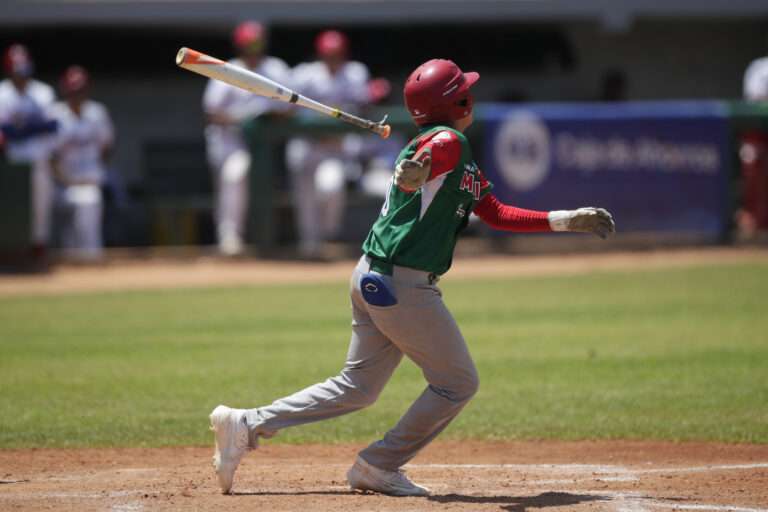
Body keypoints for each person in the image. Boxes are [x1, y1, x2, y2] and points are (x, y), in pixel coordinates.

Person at [208, 59, 615, 496]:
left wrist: (563, 220)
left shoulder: (450, 152)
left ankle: (245, 423)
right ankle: (379, 464)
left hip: (372, 276)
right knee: (458, 383)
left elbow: (495, 212)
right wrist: (414, 170)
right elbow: (429, 158)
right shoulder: (448, 141)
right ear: (457, 100)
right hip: (401, 285)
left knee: (358, 388)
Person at [203, 21, 291, 255]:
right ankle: (229, 237)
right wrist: (245, 118)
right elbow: (212, 114)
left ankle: (276, 239)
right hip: (231, 142)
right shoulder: (228, 69)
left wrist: (272, 114)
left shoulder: (276, 68)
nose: (254, 49)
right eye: (249, 44)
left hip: (271, 144)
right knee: (235, 176)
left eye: (257, 44)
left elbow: (291, 107)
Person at [286, 30, 371, 258]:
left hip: (337, 147)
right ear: (320, 54)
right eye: (328, 54)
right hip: (307, 145)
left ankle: (326, 235)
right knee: (305, 200)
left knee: (331, 186)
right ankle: (309, 247)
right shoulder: (305, 74)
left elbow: (363, 108)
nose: (333, 58)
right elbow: (289, 110)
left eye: (337, 54)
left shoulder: (355, 73)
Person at [49, 66, 114, 262]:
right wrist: (65, 180)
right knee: (68, 236)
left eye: (80, 90)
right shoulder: (55, 115)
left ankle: (91, 264)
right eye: (73, 91)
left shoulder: (97, 113)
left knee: (89, 205)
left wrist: (96, 173)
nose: (77, 95)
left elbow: (107, 147)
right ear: (65, 91)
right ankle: (73, 272)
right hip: (62, 184)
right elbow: (50, 157)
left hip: (89, 182)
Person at [0, 44, 57, 261]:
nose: (21, 76)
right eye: (17, 71)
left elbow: (52, 126)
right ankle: (12, 250)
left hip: (40, 158)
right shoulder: (2, 93)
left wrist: (21, 129)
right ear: (8, 70)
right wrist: (33, 127)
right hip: (12, 161)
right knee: (13, 207)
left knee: (41, 206)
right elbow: (6, 133)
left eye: (24, 71)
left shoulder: (42, 92)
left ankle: (38, 248)